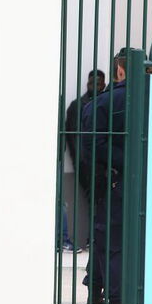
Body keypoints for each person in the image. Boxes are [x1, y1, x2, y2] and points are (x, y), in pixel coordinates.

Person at [81, 50, 129, 304]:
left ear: (119, 71)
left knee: (112, 248)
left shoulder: (106, 102)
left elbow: (90, 146)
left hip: (117, 185)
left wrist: (119, 165)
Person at [63, 69, 105, 251]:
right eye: (91, 83)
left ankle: (96, 239)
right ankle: (93, 239)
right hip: (88, 164)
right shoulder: (77, 106)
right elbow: (74, 140)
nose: (94, 86)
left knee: (101, 202)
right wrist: (82, 163)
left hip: (101, 163)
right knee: (96, 201)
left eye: (98, 83)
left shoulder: (104, 102)